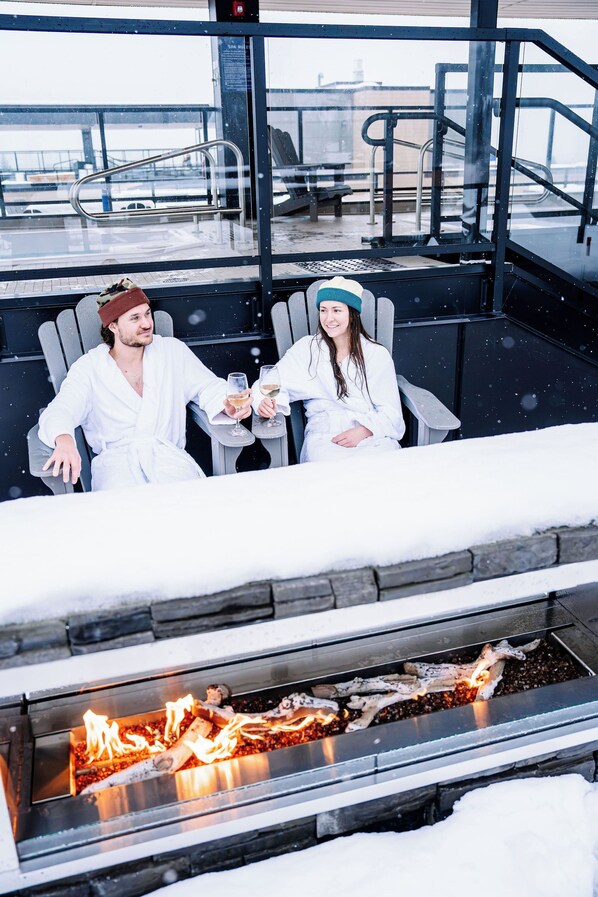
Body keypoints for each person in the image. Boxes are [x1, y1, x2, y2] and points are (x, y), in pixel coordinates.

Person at [39, 278, 251, 490]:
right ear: (113, 326)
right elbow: (61, 409)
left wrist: (226, 405)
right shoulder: (89, 368)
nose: (147, 323)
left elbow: (208, 386)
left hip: (170, 463)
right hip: (116, 471)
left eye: (147, 314)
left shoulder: (171, 352)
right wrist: (64, 439)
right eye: (135, 318)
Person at [254, 276, 405, 463]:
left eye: (337, 310)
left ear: (352, 314)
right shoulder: (307, 350)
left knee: (383, 469)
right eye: (323, 310)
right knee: (334, 475)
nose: (328, 318)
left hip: (372, 435)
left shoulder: (375, 354)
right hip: (325, 437)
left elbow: (392, 414)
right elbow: (269, 382)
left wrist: (365, 430)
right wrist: (263, 402)